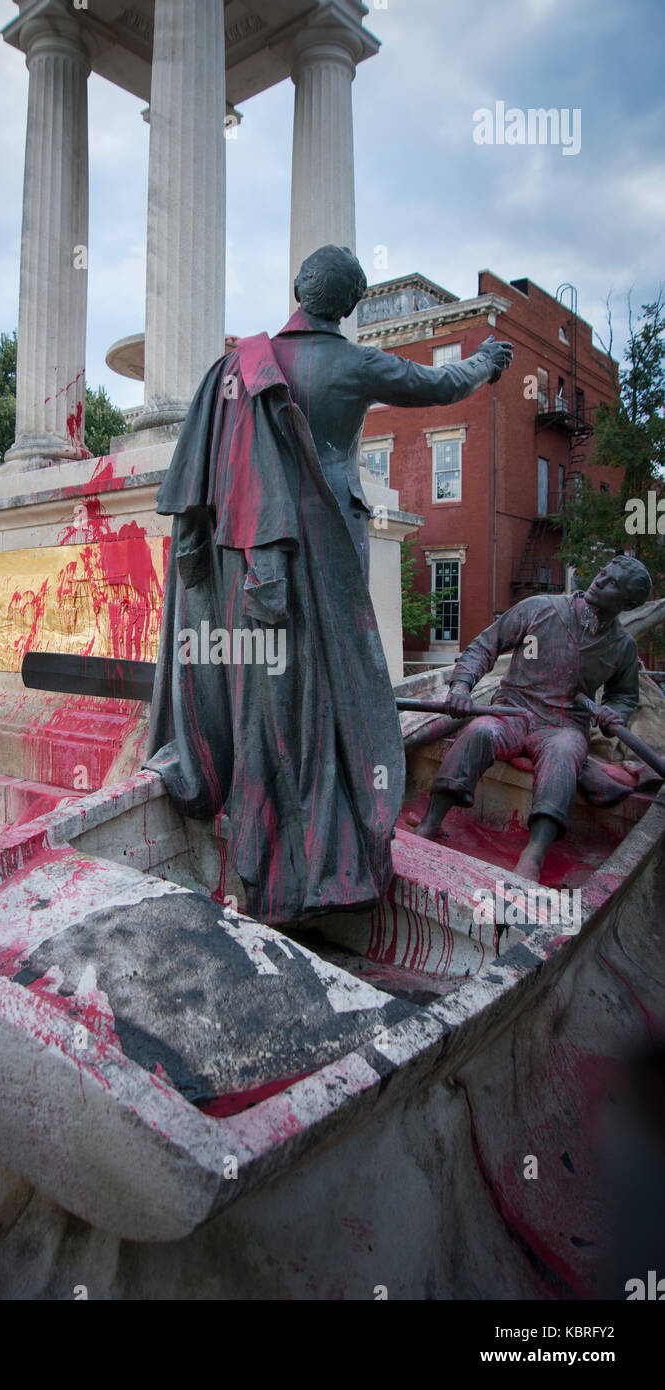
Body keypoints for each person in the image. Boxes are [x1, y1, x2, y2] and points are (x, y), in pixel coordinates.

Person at [146, 244, 513, 924]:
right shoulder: (352, 363)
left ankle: (262, 860)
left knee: (263, 696)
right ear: (348, 306)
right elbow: (442, 386)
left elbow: (199, 481)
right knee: (331, 696)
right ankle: (320, 859)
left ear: (296, 290)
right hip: (325, 548)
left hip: (250, 559)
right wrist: (488, 362)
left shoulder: (234, 368)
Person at [415, 556, 653, 881]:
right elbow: (484, 647)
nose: (599, 581)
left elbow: (623, 696)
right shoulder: (540, 608)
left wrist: (616, 713)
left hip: (563, 726)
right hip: (512, 711)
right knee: (480, 730)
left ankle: (534, 853)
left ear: (628, 602)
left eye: (612, 584)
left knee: (565, 751)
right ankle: (432, 820)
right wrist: (460, 687)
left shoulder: (621, 647)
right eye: (602, 574)